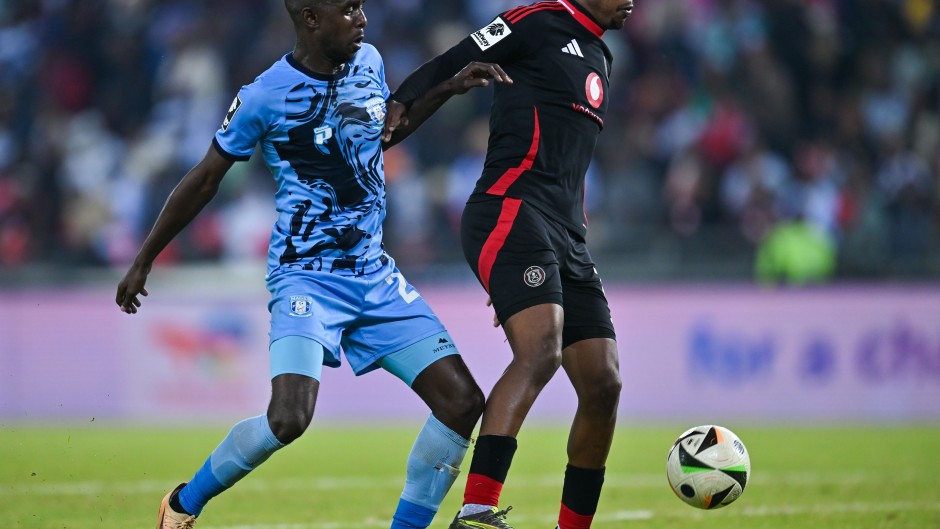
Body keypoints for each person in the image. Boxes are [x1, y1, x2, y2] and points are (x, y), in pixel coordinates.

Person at [115, 1, 511, 528]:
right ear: (311, 19)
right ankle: (182, 505)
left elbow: (386, 130)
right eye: (349, 9)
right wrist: (145, 258)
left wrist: (446, 87)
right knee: (289, 418)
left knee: (462, 401)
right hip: (307, 276)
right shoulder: (263, 95)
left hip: (373, 274)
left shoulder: (369, 61)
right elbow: (206, 177)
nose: (363, 18)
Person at [386, 1, 634, 528]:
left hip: (567, 234)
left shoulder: (602, 56)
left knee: (603, 382)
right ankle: (476, 512)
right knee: (540, 349)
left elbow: (569, 161)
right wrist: (400, 102)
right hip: (509, 207)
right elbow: (456, 56)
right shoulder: (537, 20)